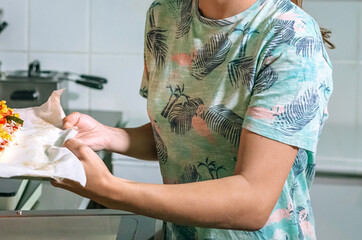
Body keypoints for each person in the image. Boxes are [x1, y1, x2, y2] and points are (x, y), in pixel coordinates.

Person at [50, 0, 333, 239]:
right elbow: (181, 135)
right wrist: (111, 136)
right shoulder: (166, 14)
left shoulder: (291, 36)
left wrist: (109, 189)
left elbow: (253, 202)